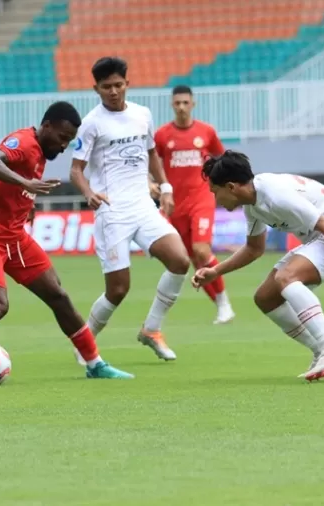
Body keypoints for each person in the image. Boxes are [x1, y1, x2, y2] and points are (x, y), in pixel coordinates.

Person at [0, 101, 133, 381]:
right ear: (46, 126)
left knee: (58, 296)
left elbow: (18, 186)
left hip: (14, 237)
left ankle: (94, 363)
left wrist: (27, 203)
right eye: (62, 138)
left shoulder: (41, 153)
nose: (64, 147)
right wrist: (25, 184)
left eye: (69, 141)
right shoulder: (23, 142)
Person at [193, 151, 324, 382]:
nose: (215, 200)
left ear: (231, 187)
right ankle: (321, 351)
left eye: (215, 192)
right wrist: (216, 271)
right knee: (265, 297)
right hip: (318, 239)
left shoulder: (275, 194)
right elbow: (254, 249)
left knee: (286, 277)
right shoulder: (252, 204)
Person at [70, 56, 191, 365]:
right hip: (112, 213)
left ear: (128, 84)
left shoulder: (142, 114)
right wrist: (88, 193)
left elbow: (151, 152)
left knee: (179, 261)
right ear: (95, 88)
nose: (113, 91)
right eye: (106, 87)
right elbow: (76, 170)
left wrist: (164, 187)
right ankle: (84, 344)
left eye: (118, 85)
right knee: (119, 289)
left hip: (142, 206)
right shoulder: (91, 124)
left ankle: (151, 329)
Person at [154, 84, 234, 325]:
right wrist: (152, 184)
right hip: (175, 205)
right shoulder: (162, 135)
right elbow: (153, 164)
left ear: (193, 104)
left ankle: (224, 303)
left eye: (185, 103)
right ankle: (221, 305)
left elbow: (222, 159)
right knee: (192, 260)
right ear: (172, 105)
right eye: (177, 103)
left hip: (201, 199)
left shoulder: (206, 132)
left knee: (202, 251)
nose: (181, 107)